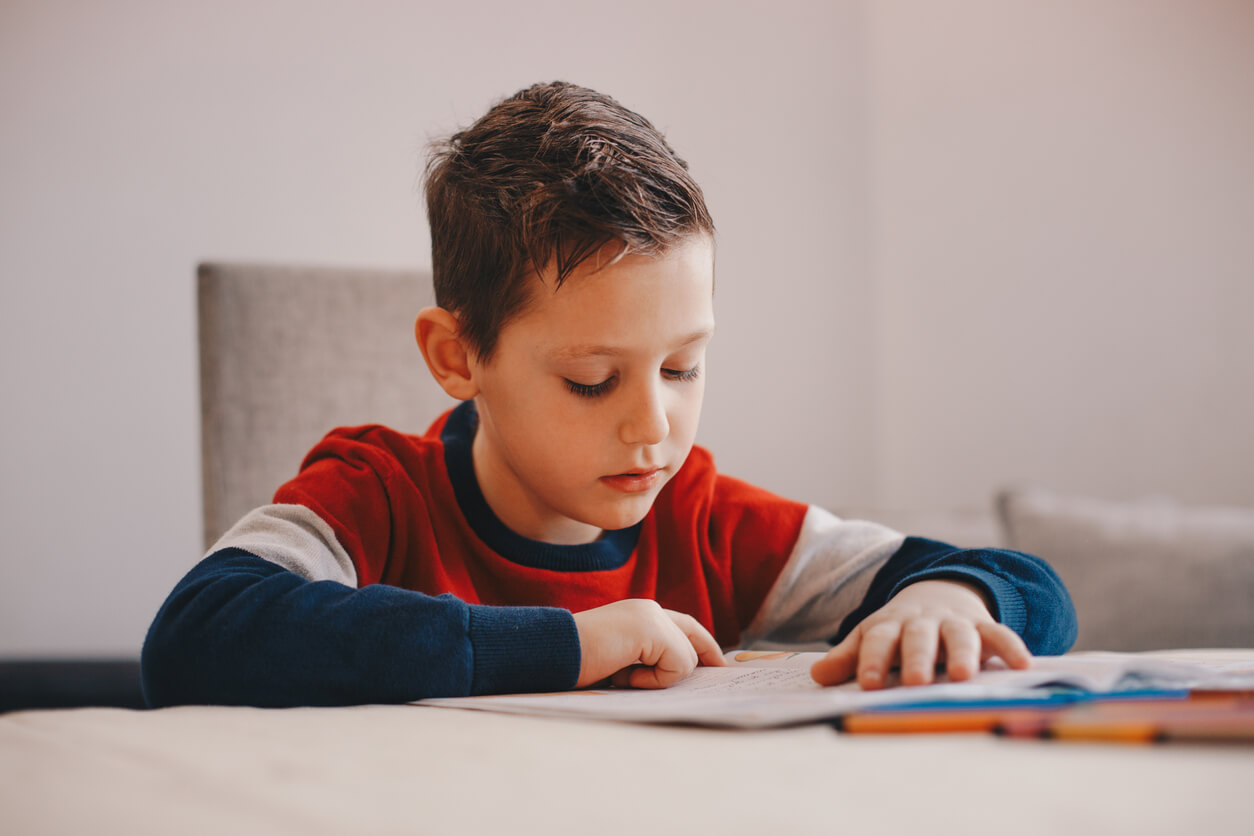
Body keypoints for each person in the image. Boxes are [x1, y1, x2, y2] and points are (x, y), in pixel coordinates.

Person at [142, 81, 1076, 708]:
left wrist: (951, 596)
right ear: (459, 357)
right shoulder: (378, 495)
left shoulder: (704, 518)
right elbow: (193, 636)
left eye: (683, 367)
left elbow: (1035, 590)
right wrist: (565, 645)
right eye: (592, 380)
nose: (652, 425)